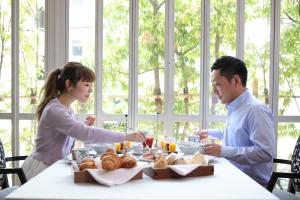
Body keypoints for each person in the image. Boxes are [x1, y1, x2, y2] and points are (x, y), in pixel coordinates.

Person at [22, 62, 146, 180]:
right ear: (69, 84)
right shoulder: (55, 110)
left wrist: (83, 126)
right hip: (42, 170)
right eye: (87, 85)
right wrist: (125, 136)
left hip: (53, 167)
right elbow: (85, 134)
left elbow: (72, 132)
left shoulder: (66, 109)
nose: (90, 90)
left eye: (91, 85)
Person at [196, 56, 275, 187]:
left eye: (218, 84)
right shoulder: (235, 107)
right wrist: (208, 132)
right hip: (233, 176)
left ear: (236, 80)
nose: (215, 91)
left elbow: (265, 153)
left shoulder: (256, 110)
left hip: (251, 184)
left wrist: (222, 151)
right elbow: (235, 132)